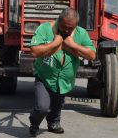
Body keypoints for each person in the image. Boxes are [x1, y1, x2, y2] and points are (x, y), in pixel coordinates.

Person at [28, 8, 96, 137]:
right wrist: (56, 42)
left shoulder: (81, 33)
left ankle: (53, 123)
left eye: (70, 28)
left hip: (64, 80)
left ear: (76, 25)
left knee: (58, 102)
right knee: (42, 107)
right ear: (59, 20)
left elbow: (92, 55)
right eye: (64, 26)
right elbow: (35, 51)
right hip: (44, 77)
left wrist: (73, 45)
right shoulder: (45, 28)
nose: (66, 30)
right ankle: (34, 123)